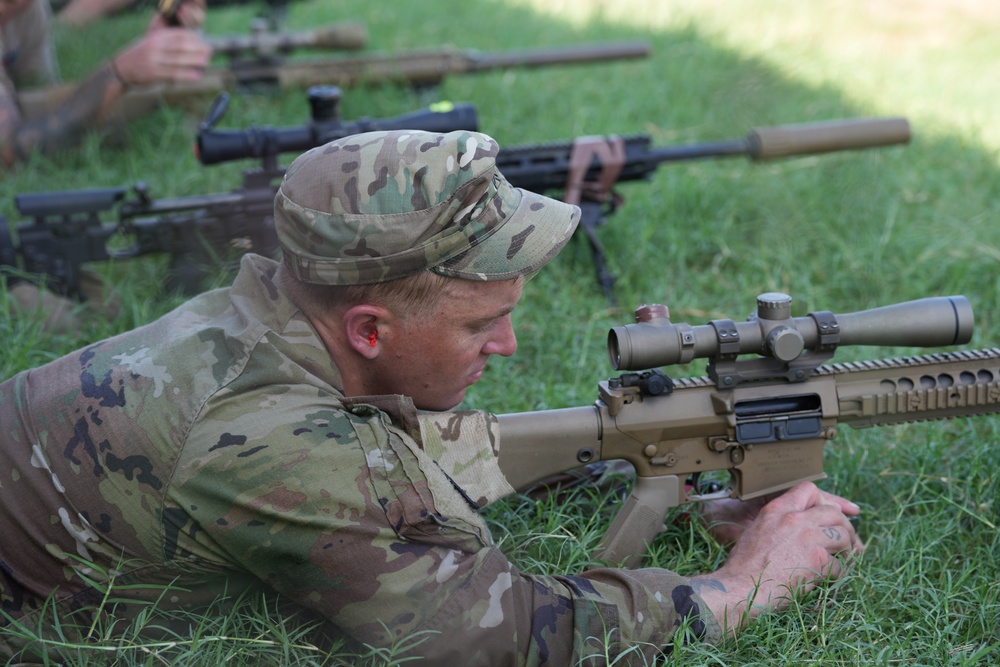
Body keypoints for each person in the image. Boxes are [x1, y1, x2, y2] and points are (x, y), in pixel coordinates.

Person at [0, 129, 862, 664]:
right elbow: (498, 638)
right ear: (371, 328)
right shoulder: (281, 442)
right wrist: (743, 583)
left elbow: (410, 449)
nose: (510, 344)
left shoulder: (256, 314)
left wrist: (646, 452)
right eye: (481, 323)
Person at [1, 0, 212, 332]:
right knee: (68, 325)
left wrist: (150, 64)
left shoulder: (26, 10)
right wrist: (117, 72)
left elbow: (49, 113)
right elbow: (12, 151)